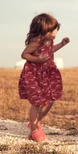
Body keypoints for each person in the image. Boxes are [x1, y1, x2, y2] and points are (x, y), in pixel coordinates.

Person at [18, 13, 70, 142]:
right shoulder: (36, 41)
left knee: (50, 100)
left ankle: (35, 122)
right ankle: (34, 130)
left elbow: (50, 50)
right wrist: (37, 59)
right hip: (34, 74)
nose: (55, 32)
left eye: (55, 28)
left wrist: (61, 44)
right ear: (43, 30)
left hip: (48, 73)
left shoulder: (50, 41)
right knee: (37, 102)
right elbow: (24, 54)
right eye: (52, 30)